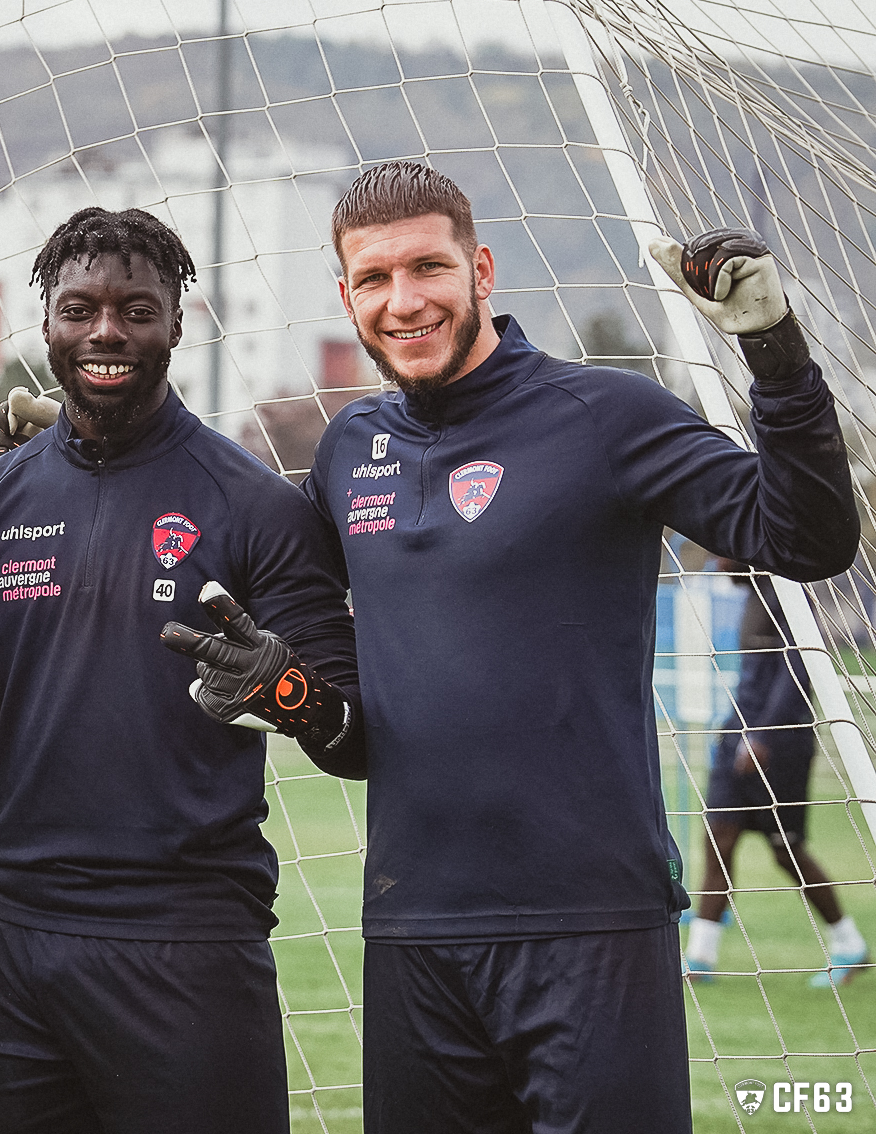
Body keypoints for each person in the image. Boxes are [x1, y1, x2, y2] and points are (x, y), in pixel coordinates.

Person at [300, 161, 858, 1133]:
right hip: (412, 928)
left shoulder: (605, 417)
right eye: (375, 280)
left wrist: (772, 352)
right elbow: (323, 682)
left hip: (591, 921)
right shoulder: (348, 452)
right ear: (344, 295)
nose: (404, 300)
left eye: (427, 268)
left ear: (480, 270)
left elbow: (809, 539)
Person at [0, 206, 364, 1134]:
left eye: (136, 309)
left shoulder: (258, 509)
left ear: (178, 321)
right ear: (47, 322)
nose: (107, 331)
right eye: (80, 309)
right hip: (17, 943)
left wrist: (288, 690)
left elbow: (357, 737)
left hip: (191, 942)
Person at [685, 565, 868, 987]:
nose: (717, 563)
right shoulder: (752, 595)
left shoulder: (789, 595)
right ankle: (699, 959)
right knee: (718, 837)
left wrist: (764, 735)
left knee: (787, 851)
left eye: (725, 553)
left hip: (778, 745)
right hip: (737, 734)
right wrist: (736, 732)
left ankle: (849, 944)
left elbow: (797, 673)